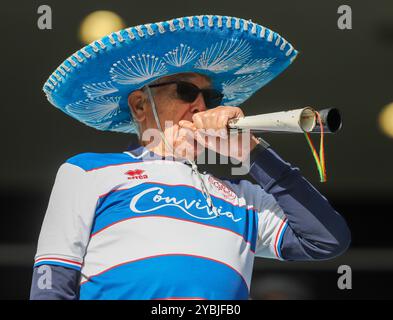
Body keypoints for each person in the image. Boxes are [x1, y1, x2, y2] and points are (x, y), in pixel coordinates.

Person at [30, 15, 350, 300]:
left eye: (211, 97)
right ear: (140, 105)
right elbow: (52, 282)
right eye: (185, 91)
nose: (201, 106)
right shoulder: (87, 171)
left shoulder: (243, 198)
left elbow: (326, 240)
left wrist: (252, 153)